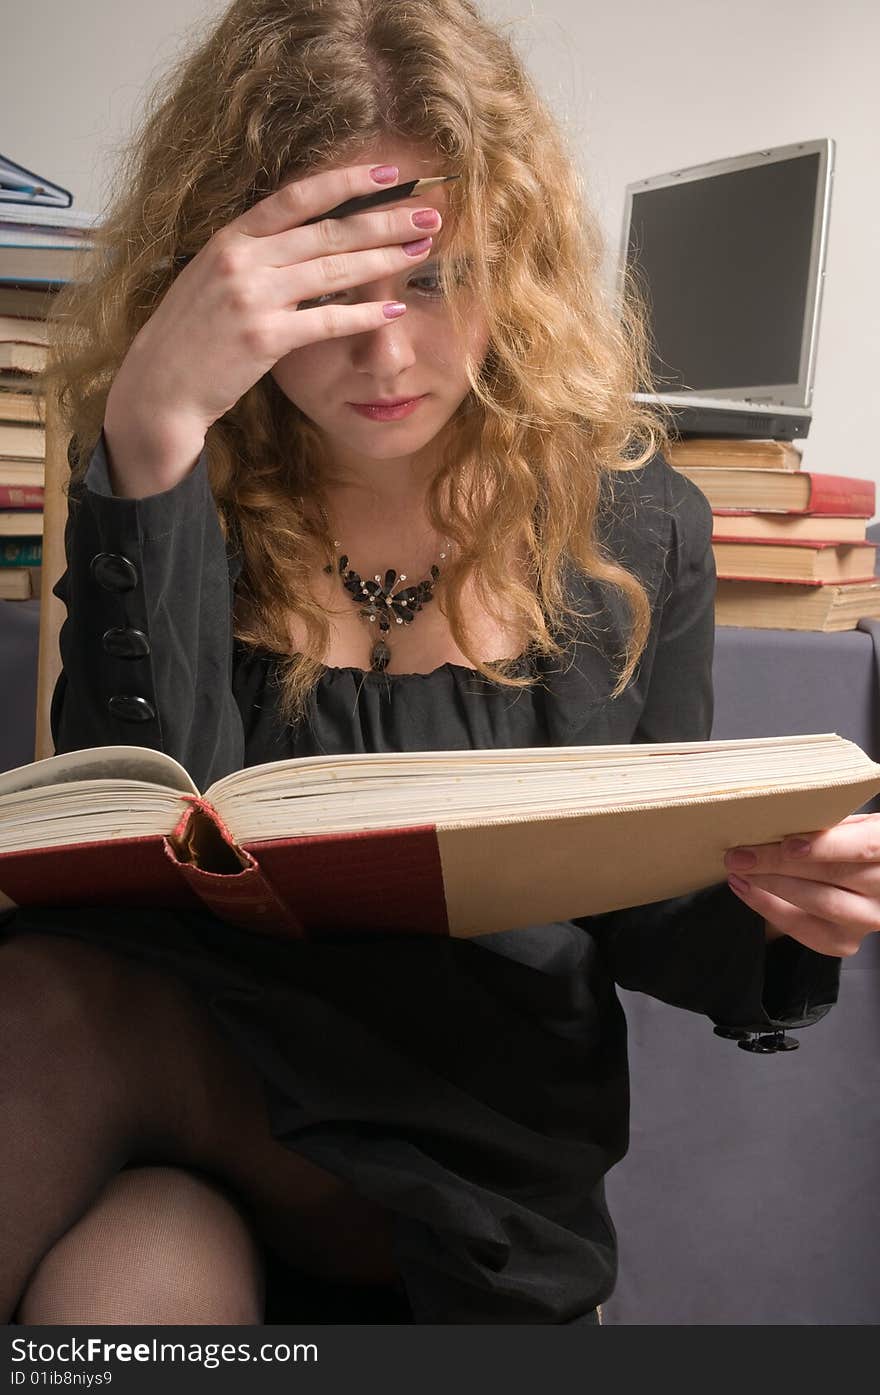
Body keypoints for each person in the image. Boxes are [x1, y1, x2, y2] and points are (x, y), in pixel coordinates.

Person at [2, 0, 878, 1327]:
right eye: (331, 291)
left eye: (434, 276)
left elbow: (651, 907)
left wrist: (785, 898)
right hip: (204, 1106)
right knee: (126, 1283)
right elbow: (138, 858)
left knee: (44, 1015)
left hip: (474, 1145)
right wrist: (157, 421)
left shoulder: (632, 527)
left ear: (513, 262)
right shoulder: (157, 478)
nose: (388, 352)